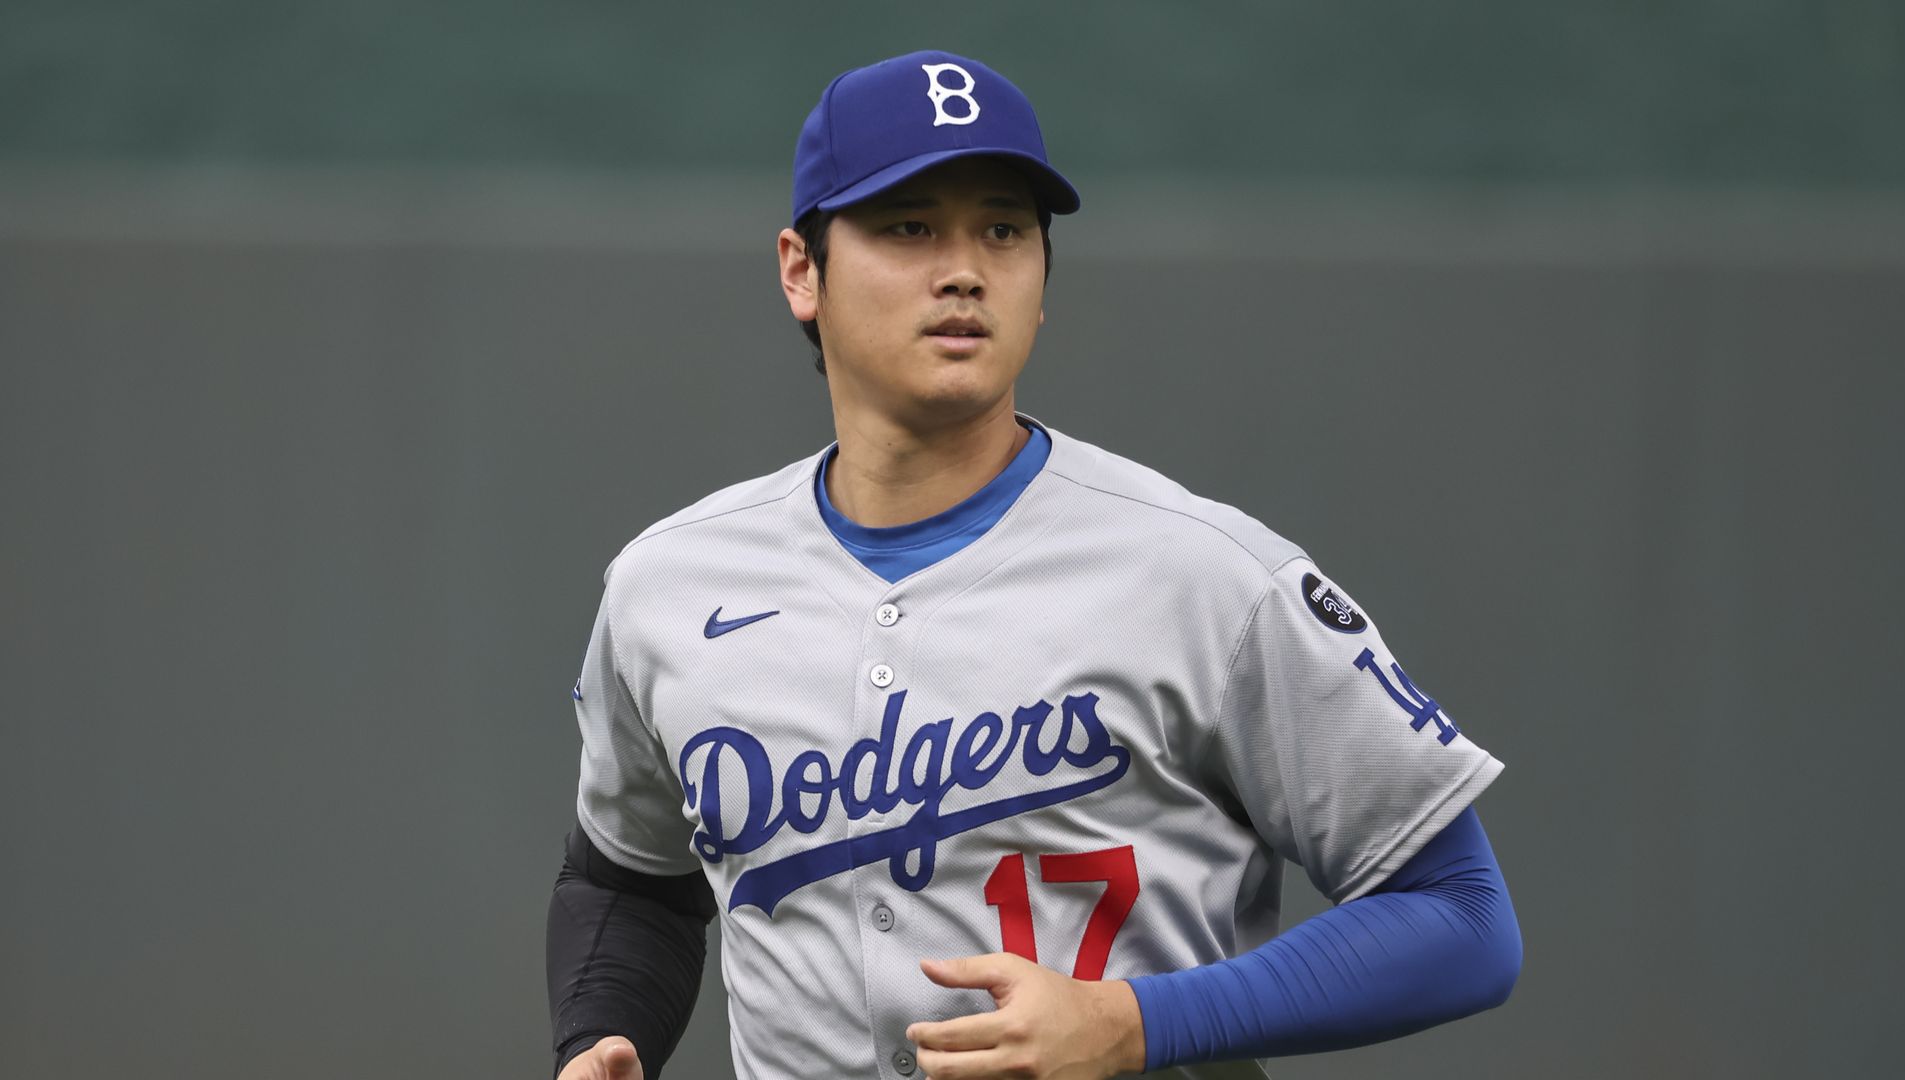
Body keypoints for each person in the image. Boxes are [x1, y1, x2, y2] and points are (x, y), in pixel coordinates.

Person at [546, 49, 1522, 1080]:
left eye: (1004, 229)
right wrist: (603, 1036)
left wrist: (1139, 1021)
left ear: (1042, 277)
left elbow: (1460, 918)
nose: (963, 267)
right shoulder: (670, 583)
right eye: (908, 225)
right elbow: (630, 883)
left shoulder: (1204, 577)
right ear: (802, 268)